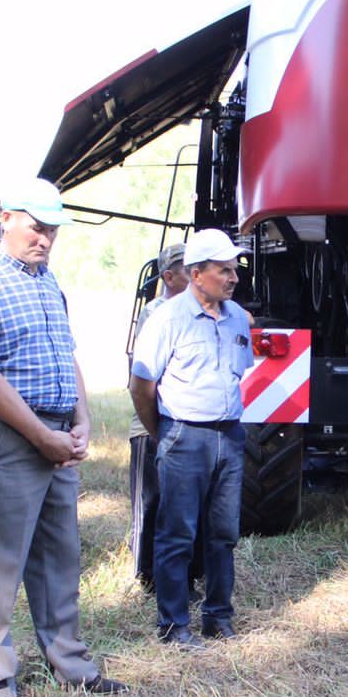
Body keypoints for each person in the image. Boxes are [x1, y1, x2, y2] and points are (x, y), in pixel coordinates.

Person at [0, 178, 123, 697]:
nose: (45, 238)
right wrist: (41, 436)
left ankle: (70, 662)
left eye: (52, 229)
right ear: (7, 218)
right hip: (9, 438)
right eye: (35, 226)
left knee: (58, 557)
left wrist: (82, 418)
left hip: (56, 435)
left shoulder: (48, 282)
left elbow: (66, 355)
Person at [128, 228, 251, 650]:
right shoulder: (166, 318)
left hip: (229, 436)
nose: (234, 277)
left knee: (224, 533)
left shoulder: (236, 317)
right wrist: (164, 433)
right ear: (196, 274)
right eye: (224, 270)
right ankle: (174, 625)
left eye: (235, 269)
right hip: (184, 434)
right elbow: (141, 385)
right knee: (177, 534)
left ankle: (218, 618)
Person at [127, 242, 188, 588]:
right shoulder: (155, 313)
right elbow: (145, 376)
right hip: (151, 421)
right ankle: (145, 574)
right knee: (150, 502)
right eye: (185, 269)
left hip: (177, 421)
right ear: (168, 276)